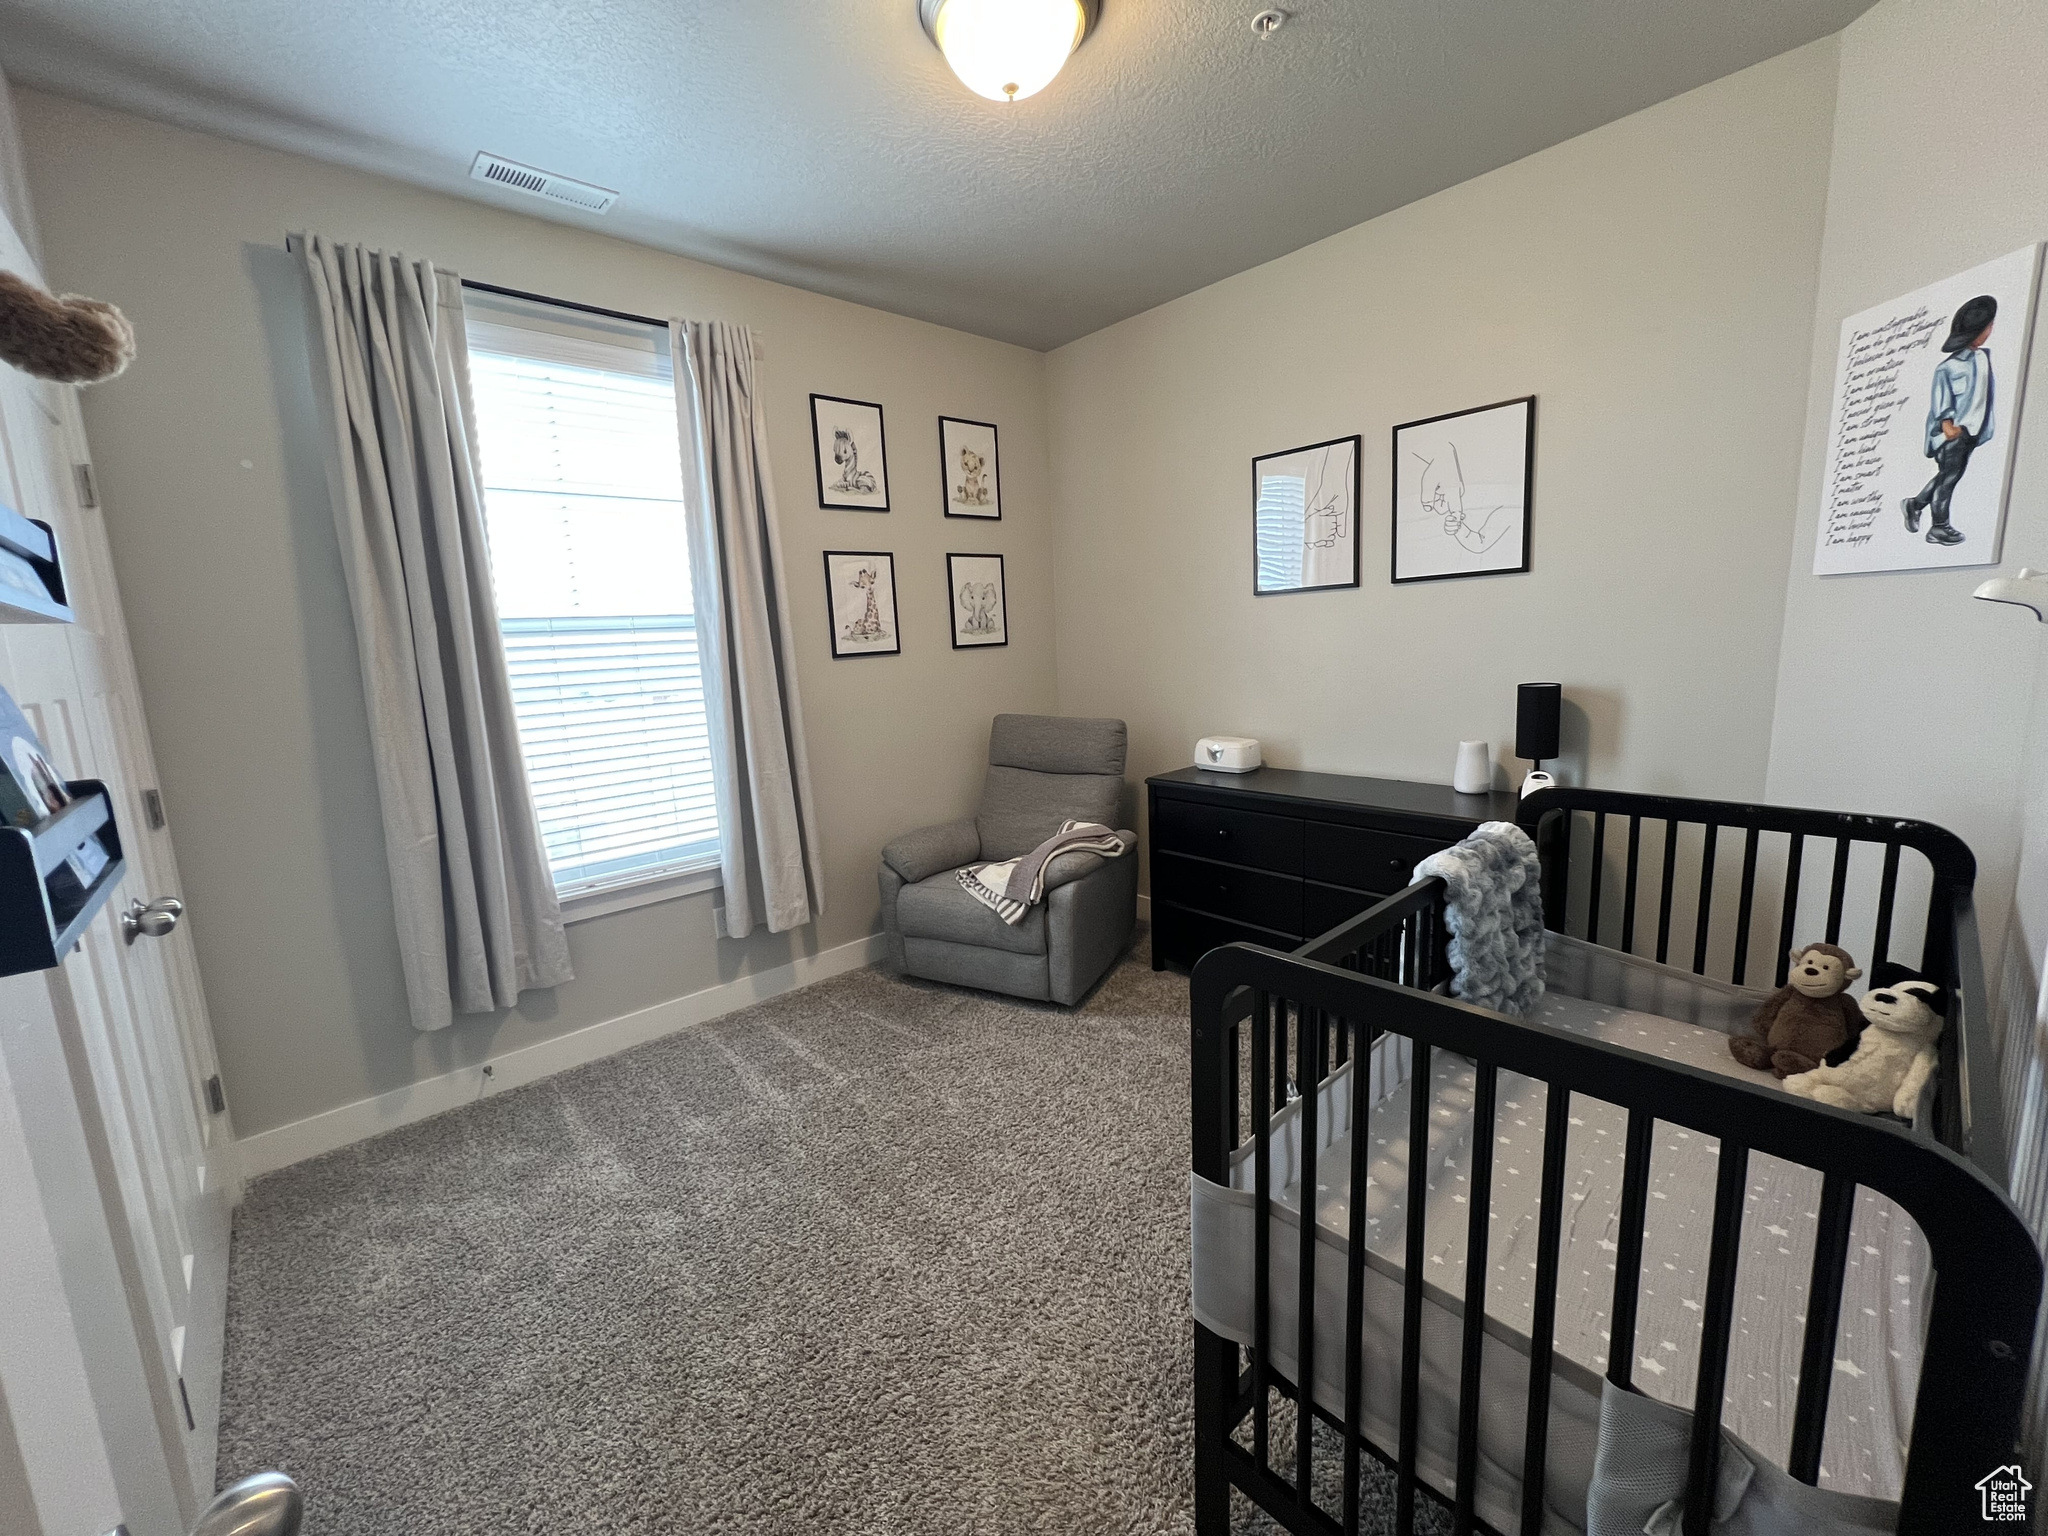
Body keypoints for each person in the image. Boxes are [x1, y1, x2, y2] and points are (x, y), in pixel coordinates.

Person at [1902, 294, 1997, 546]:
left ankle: (1915, 503)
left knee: (1948, 475)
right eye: (1987, 327)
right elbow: (1941, 400)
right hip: (1954, 431)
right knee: (1949, 478)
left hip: (1973, 429)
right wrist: (1947, 426)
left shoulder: (1983, 358)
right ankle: (1939, 527)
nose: (1990, 330)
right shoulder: (1948, 368)